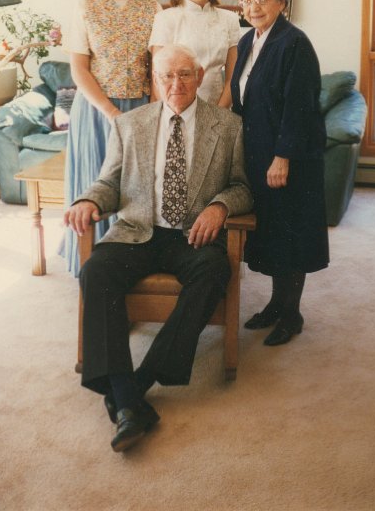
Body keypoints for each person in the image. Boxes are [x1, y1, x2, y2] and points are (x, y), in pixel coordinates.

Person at [64, 44, 253, 453]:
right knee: (96, 271)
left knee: (214, 271)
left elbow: (242, 186)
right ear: (155, 78)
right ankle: (128, 397)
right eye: (166, 75)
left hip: (192, 236)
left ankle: (134, 388)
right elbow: (109, 183)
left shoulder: (228, 125)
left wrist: (220, 207)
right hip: (139, 230)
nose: (176, 84)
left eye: (185, 74)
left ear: (200, 76)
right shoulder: (130, 124)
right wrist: (88, 200)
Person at [230, 0, 329, 347]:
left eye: (262, 0)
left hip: (289, 158)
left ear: (282, 2)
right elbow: (243, 100)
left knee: (290, 234)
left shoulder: (294, 43)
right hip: (259, 155)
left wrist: (283, 156)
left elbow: (299, 107)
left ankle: (292, 314)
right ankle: (275, 304)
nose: (253, 7)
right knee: (272, 234)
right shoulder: (247, 41)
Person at [64, 0, 161, 277]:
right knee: (96, 184)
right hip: (96, 110)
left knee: (133, 189)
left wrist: (150, 111)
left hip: (138, 108)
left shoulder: (150, 6)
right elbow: (79, 68)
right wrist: (110, 112)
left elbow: (156, 67)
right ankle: (92, 271)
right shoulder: (86, 4)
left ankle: (127, 271)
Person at [148, 0, 240, 107]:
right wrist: (176, 116)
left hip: (217, 109)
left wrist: (216, 116)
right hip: (174, 109)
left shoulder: (229, 19)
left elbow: (232, 79)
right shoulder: (165, 18)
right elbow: (158, 78)